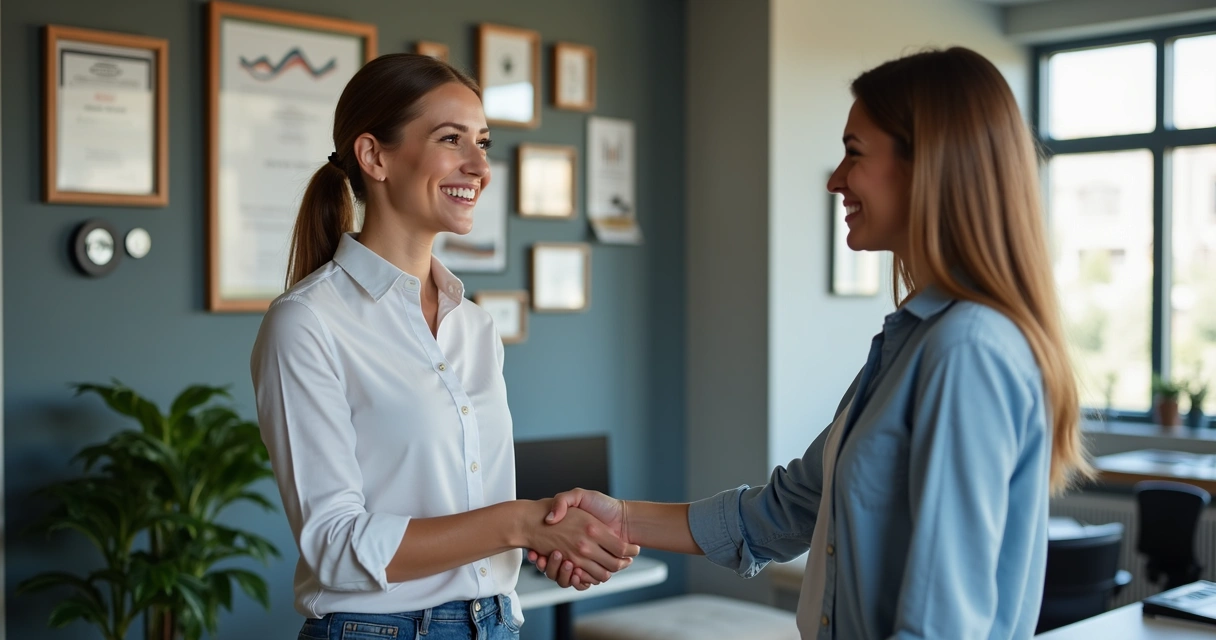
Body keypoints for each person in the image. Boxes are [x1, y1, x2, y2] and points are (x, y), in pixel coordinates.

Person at [531, 47, 1093, 639]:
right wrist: (620, 516)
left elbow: (942, 622)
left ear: (928, 164)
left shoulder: (967, 350)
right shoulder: (909, 344)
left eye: (854, 153)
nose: (835, 180)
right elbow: (783, 511)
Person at [250, 53, 637, 640]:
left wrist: (546, 539)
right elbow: (335, 544)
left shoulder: (475, 328)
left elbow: (479, 519)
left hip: (498, 620)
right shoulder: (306, 324)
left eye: (482, 141)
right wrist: (520, 525)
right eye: (451, 139)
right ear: (374, 156)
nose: (479, 166)